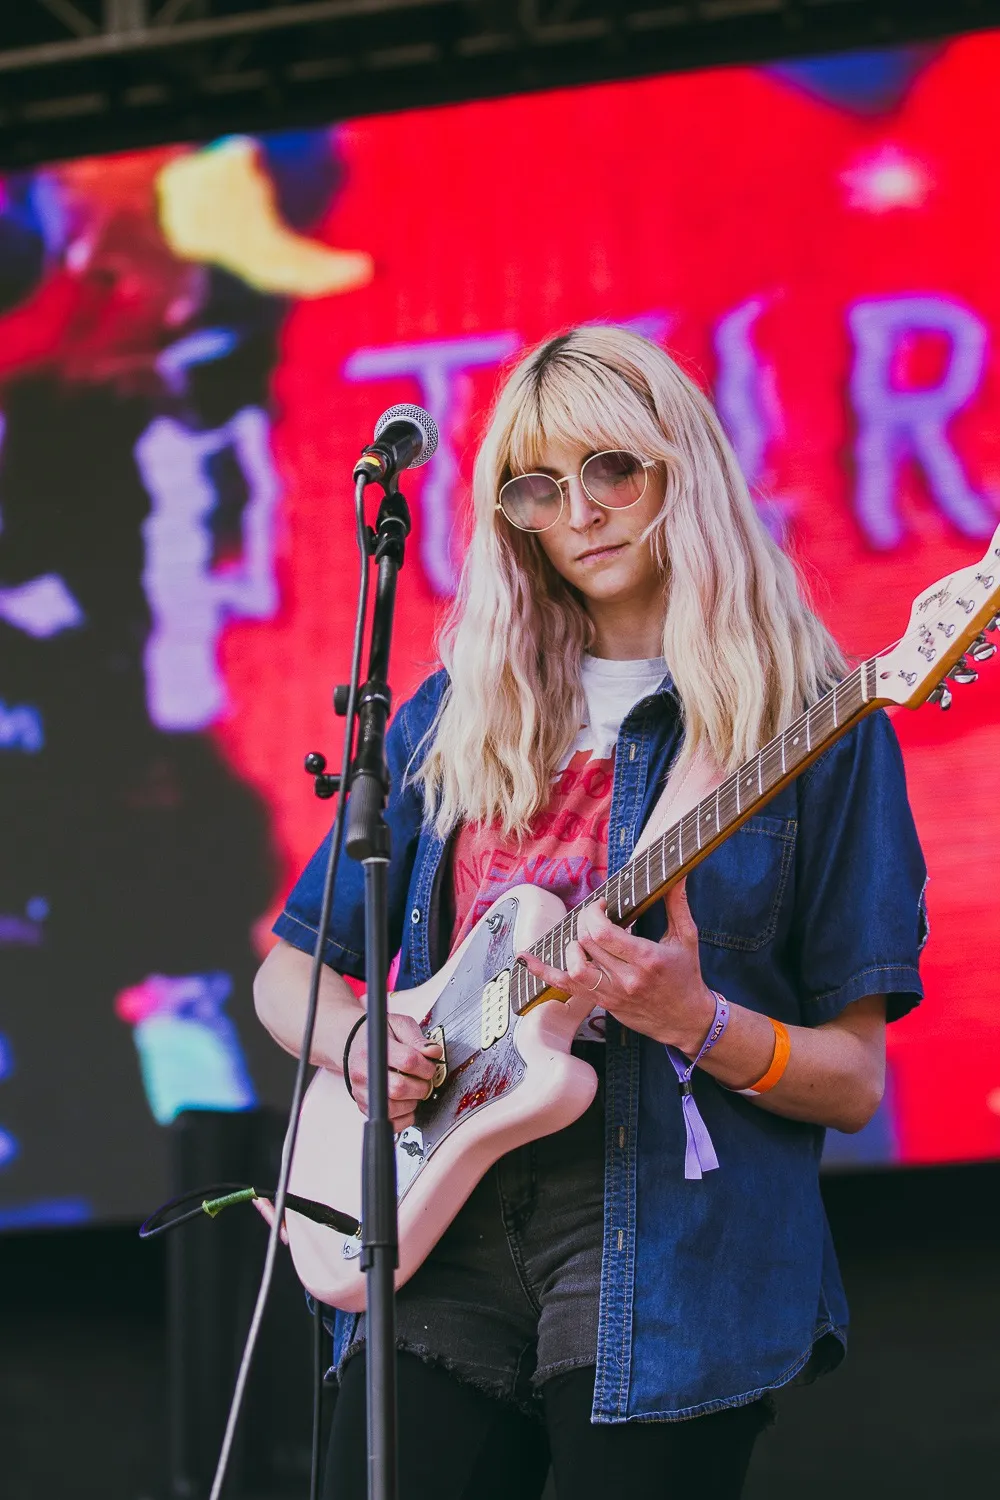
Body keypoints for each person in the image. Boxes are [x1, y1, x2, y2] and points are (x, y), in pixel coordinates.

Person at [253, 325, 927, 1499]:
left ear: (683, 469)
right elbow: (285, 977)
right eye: (537, 488)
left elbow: (853, 1082)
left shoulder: (813, 722)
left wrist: (695, 1020)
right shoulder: (449, 715)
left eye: (613, 469)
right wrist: (361, 1043)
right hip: (438, 1229)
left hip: (669, 1248)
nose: (581, 512)